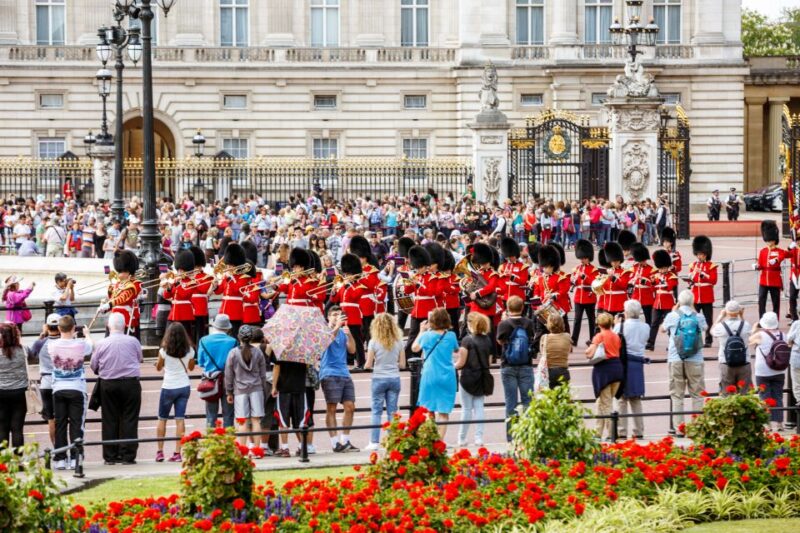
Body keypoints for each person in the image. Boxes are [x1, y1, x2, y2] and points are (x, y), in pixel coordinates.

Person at [90, 312, 143, 465]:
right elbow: (139, 358)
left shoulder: (101, 343)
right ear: (125, 325)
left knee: (109, 419)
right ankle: (127, 455)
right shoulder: (133, 341)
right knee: (130, 418)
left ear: (108, 326)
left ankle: (110, 455)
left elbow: (94, 365)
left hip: (109, 383)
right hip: (130, 383)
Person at [50, 315, 93, 470]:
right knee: (77, 424)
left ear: (59, 328)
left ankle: (60, 458)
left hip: (58, 388)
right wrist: (87, 334)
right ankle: (76, 458)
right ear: (73, 327)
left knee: (60, 424)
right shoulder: (81, 344)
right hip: (77, 387)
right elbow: (91, 346)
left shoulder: (52, 345)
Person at [662, 290, 707, 436]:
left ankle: (679, 428)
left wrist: (673, 311)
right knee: (697, 394)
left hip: (675, 357)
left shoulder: (672, 316)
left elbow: (663, 329)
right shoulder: (698, 316)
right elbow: (705, 328)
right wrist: (693, 310)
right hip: (695, 358)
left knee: (677, 395)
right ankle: (698, 427)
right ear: (692, 301)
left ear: (679, 302)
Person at [412, 308, 459, 439]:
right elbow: (456, 349)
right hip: (447, 375)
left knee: (428, 410)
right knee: (444, 412)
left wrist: (421, 331)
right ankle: (440, 441)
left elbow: (414, 348)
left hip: (430, 374)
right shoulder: (451, 335)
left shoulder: (427, 335)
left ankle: (430, 439)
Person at [319, 306, 359, 453]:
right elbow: (327, 342)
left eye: (340, 314)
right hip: (329, 372)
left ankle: (345, 440)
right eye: (335, 314)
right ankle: (335, 442)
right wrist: (336, 327)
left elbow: (352, 350)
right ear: (328, 317)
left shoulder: (343, 331)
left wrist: (349, 334)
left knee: (350, 406)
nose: (338, 317)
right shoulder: (324, 330)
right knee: (332, 408)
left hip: (344, 372)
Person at [496, 295, 535, 441]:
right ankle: (528, 435)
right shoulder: (529, 322)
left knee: (510, 403)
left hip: (508, 365)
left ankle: (511, 438)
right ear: (522, 307)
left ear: (508, 308)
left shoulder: (504, 324)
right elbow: (531, 339)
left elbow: (500, 341)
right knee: (527, 402)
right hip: (526, 365)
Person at [155, 323, 195, 462]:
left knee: (162, 419)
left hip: (168, 386)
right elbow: (191, 368)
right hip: (183, 385)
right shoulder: (190, 350)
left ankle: (160, 452)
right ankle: (177, 453)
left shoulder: (164, 351)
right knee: (180, 419)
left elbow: (158, 368)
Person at [365, 312, 404, 450]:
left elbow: (368, 364)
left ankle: (374, 442)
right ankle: (392, 441)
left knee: (376, 411)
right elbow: (402, 365)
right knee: (392, 412)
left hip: (379, 377)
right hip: (394, 377)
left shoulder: (373, 342)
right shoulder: (399, 342)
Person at [454, 313, 493, 448]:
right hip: (482, 376)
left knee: (466, 409)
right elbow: (489, 361)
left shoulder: (467, 341)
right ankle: (479, 438)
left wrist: (452, 366)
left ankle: (462, 437)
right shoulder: (487, 340)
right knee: (479, 408)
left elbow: (461, 362)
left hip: (468, 376)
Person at [225, 325, 267, 449]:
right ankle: (257, 449)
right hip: (257, 388)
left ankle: (242, 449)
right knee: (256, 420)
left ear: (239, 337)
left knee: (242, 421)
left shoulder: (233, 353)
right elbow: (263, 374)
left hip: (240, 390)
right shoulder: (258, 352)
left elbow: (228, 374)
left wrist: (229, 392)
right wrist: (264, 389)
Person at [614, 300, 650, 439]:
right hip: (637, 363)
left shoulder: (620, 326)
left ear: (627, 312)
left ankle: (621, 431)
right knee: (636, 398)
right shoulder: (645, 327)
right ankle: (639, 430)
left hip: (623, 363)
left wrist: (616, 324)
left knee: (621, 398)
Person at [585, 312, 624, 441]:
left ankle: (612, 433)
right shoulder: (616, 336)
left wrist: (587, 350)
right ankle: (598, 432)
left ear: (599, 324)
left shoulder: (599, 336)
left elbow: (590, 353)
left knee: (606, 404)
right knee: (601, 402)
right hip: (617, 369)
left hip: (604, 371)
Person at [197, 314, 238, 428]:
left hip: (210, 379)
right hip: (228, 379)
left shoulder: (203, 340)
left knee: (211, 415)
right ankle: (229, 438)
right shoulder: (233, 341)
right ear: (227, 328)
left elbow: (200, 362)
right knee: (229, 414)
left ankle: (211, 437)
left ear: (215, 326)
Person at [749, 312, 787, 433]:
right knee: (778, 396)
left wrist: (754, 329)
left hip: (763, 371)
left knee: (764, 396)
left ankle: (767, 424)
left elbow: (749, 341)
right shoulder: (783, 335)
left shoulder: (760, 335)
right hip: (779, 370)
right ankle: (779, 423)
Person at [29, 314, 61, 445]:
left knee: (51, 419)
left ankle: (56, 447)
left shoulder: (40, 343)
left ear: (47, 326)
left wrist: (41, 335)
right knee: (62, 418)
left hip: (46, 383)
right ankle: (64, 446)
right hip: (62, 382)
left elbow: (31, 354)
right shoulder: (65, 341)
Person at [710, 300, 753, 395]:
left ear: (726, 311)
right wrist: (742, 316)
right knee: (745, 394)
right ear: (739, 311)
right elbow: (750, 332)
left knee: (727, 394)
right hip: (744, 361)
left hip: (726, 362)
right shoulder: (745, 325)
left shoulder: (720, 326)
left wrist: (720, 317)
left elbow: (712, 331)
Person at [0, 323, 28, 450]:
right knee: (17, 428)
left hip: (1, 391)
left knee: (2, 428)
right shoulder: (23, 350)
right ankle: (18, 458)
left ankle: (3, 459)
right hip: (20, 392)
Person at [646, 250, 678, 351]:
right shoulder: (655, 276)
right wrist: (652, 283)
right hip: (657, 303)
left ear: (667, 267)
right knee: (654, 323)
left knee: (670, 324)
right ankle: (650, 343)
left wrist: (661, 280)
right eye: (660, 268)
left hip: (668, 303)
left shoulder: (672, 276)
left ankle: (672, 344)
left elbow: (669, 287)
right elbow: (652, 290)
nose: (662, 270)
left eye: (664, 268)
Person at [689, 236, 717, 348]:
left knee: (708, 319)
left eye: (701, 254)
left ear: (706, 254)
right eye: (698, 254)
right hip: (696, 295)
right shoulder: (693, 265)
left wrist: (704, 275)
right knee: (693, 319)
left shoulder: (711, 266)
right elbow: (692, 279)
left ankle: (708, 340)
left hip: (706, 296)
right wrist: (690, 278)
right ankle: (695, 339)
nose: (699, 256)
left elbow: (713, 280)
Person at [754, 220, 786, 318]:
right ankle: (762, 319)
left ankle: (775, 319)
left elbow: (783, 256)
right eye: (767, 240)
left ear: (774, 240)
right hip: (764, 280)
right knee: (761, 300)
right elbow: (760, 265)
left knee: (775, 302)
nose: (768, 242)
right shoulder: (763, 251)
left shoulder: (779, 251)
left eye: (770, 240)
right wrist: (756, 266)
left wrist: (776, 260)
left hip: (775, 280)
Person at [570, 239, 598, 347]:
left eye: (584, 258)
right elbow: (575, 282)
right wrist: (573, 280)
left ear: (588, 258)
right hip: (579, 297)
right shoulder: (577, 268)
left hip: (589, 297)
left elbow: (594, 283)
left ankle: (593, 339)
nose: (582, 260)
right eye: (581, 258)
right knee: (577, 320)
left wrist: (585, 277)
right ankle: (574, 339)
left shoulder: (594, 269)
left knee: (591, 320)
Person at [540, 314, 572, 389]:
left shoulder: (544, 338)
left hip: (549, 371)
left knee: (549, 395)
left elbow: (542, 353)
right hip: (563, 370)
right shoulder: (567, 336)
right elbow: (569, 350)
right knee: (563, 395)